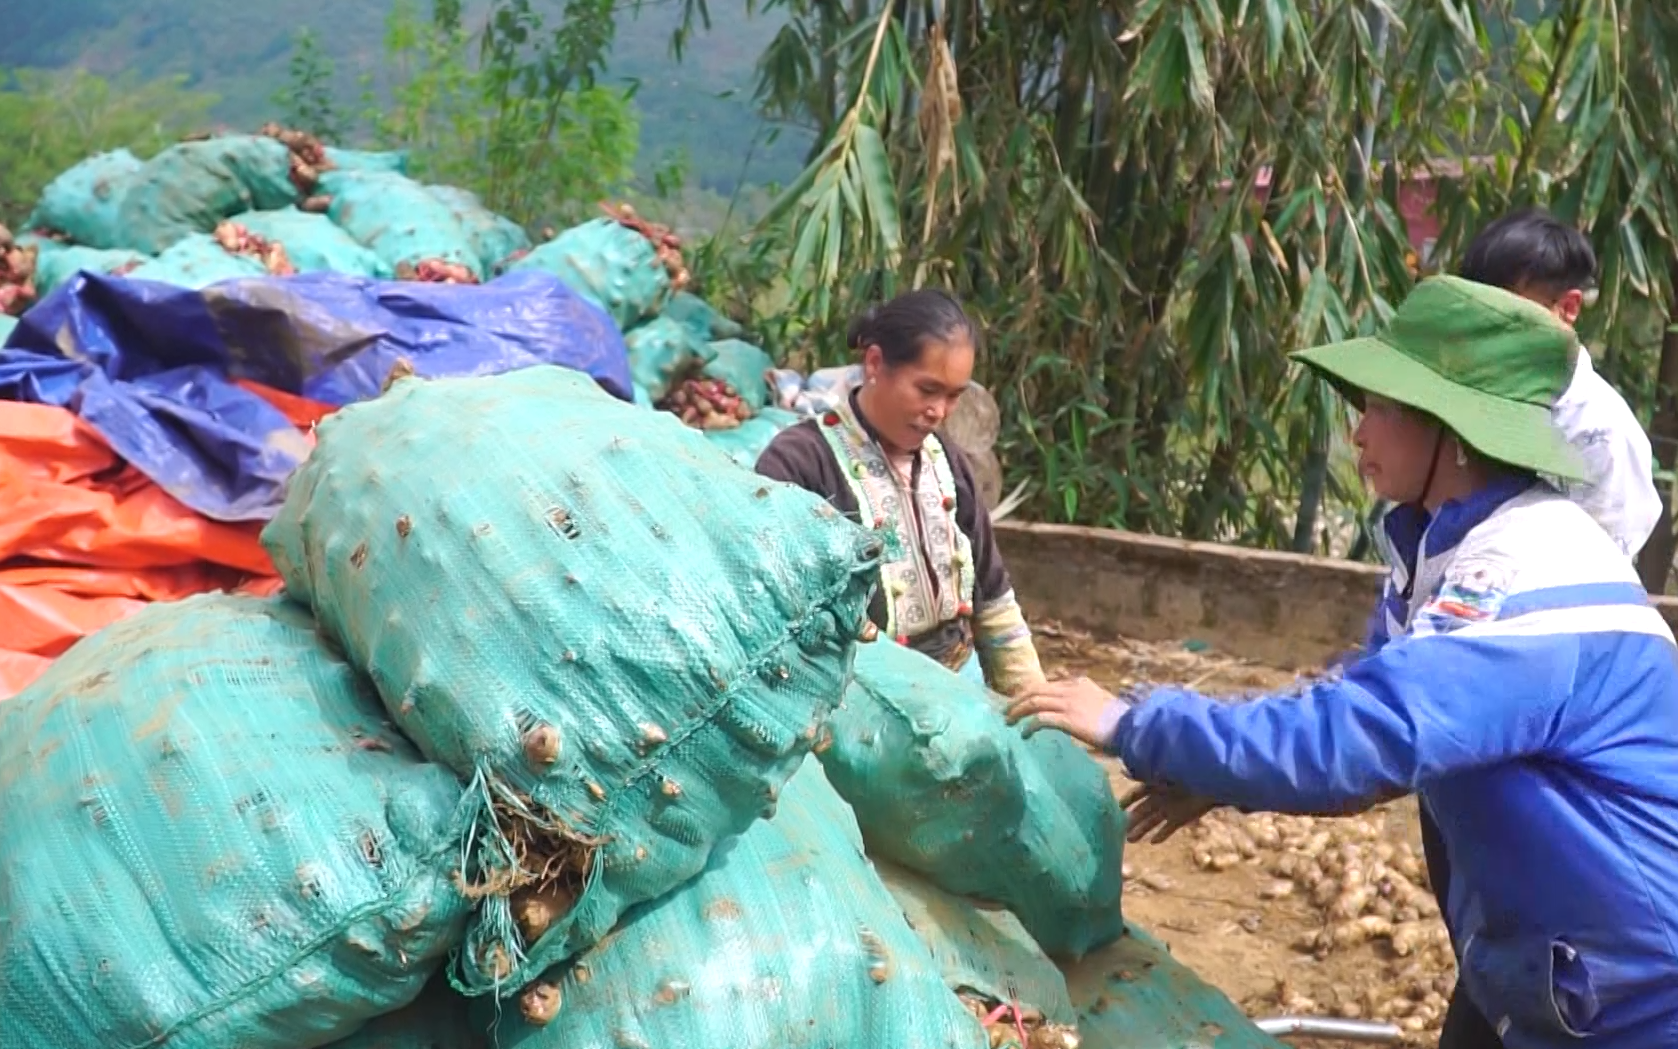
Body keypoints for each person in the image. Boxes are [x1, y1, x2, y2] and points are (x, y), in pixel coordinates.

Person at [1008, 276, 1678, 1049]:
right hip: (1538, 965)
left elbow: (1358, 737)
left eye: (1381, 408)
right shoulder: (1436, 547)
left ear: (1452, 430)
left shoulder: (1529, 575)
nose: (1358, 433)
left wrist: (1134, 721)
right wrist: (1216, 774)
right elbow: (1371, 721)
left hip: (1633, 992)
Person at [1367, 210, 1663, 1046]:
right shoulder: (1462, 412)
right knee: (1470, 883)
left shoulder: (1598, 436)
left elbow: (1565, 605)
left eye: (1509, 311)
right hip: (1455, 690)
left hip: (1527, 711)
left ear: (1564, 312)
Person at [754, 288, 1046, 695]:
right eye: (927, 390)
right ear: (874, 363)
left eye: (954, 396)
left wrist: (1031, 702)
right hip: (855, 699)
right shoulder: (800, 462)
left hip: (959, 685)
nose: (939, 411)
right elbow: (773, 613)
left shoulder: (949, 462)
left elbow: (993, 599)